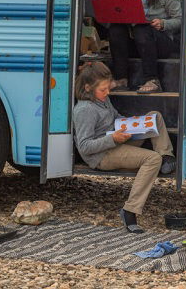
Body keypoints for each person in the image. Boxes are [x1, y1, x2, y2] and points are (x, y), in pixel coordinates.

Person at [72, 62, 176, 233]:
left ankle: (167, 155)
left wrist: (132, 123)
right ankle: (130, 211)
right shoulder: (84, 110)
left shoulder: (102, 99)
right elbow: (84, 147)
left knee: (154, 117)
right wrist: (113, 138)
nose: (107, 93)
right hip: (102, 155)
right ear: (88, 87)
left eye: (108, 88)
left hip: (116, 140)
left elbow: (115, 117)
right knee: (152, 159)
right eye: (103, 90)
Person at [109, 0, 181, 94]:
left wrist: (163, 23)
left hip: (161, 42)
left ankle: (152, 79)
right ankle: (121, 79)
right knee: (115, 28)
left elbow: (180, 20)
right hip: (136, 41)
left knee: (142, 29)